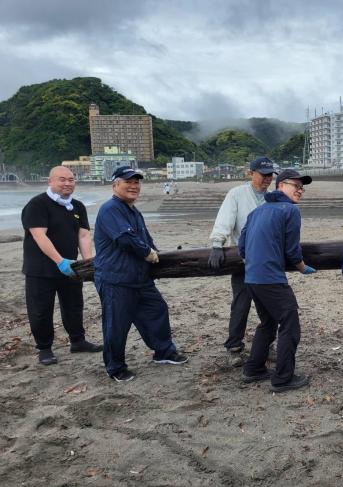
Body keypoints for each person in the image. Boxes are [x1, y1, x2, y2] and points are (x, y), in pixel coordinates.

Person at [93, 166, 188, 382]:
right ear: (115, 184)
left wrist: (159, 255)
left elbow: (146, 240)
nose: (134, 186)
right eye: (128, 182)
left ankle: (164, 352)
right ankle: (115, 368)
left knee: (157, 309)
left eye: (137, 182)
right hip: (116, 279)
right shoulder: (110, 209)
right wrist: (148, 253)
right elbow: (125, 239)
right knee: (117, 325)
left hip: (139, 278)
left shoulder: (133, 210)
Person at [238, 169, 316, 392]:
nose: (300, 191)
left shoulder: (257, 211)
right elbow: (292, 251)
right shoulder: (290, 210)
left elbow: (242, 247)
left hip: (251, 277)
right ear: (281, 185)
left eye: (302, 188)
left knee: (268, 323)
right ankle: (283, 379)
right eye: (296, 186)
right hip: (271, 278)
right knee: (290, 324)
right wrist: (303, 268)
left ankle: (253, 369)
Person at [21, 166, 103, 365]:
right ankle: (44, 348)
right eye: (62, 179)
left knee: (74, 306)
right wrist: (59, 261)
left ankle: (78, 341)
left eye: (71, 180)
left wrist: (87, 263)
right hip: (40, 270)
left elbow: (83, 235)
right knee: (40, 310)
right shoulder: (38, 204)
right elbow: (39, 235)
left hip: (71, 269)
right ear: (50, 181)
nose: (67, 183)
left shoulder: (77, 206)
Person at [208, 156, 277, 366]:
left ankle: (268, 344)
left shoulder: (273, 197)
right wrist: (218, 244)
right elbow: (225, 218)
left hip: (268, 261)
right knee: (241, 304)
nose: (267, 178)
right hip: (243, 260)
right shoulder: (237, 194)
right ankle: (234, 345)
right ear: (251, 173)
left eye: (270, 175)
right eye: (263, 174)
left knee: (269, 305)